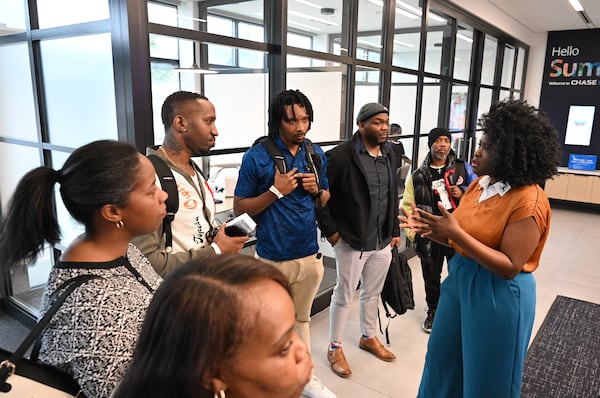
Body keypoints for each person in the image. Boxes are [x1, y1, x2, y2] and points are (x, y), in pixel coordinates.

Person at [400, 99, 560, 398]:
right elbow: (458, 238)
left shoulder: (529, 200)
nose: (476, 151)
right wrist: (429, 229)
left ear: (509, 154)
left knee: (488, 378)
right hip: (460, 281)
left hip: (498, 293)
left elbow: (509, 265)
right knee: (442, 362)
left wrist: (456, 233)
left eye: (486, 147)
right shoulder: (479, 186)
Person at [0, 140, 166, 398]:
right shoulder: (96, 307)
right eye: (151, 189)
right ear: (112, 212)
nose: (163, 195)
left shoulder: (122, 249)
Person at [233, 89, 335, 398]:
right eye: (291, 120)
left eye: (305, 119)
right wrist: (275, 192)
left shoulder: (314, 153)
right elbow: (240, 208)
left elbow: (326, 198)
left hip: (310, 256)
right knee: (272, 329)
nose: (300, 127)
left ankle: (304, 379)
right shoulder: (258, 156)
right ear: (278, 121)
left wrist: (317, 189)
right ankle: (270, 384)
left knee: (301, 321)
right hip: (272, 258)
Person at [317, 102, 401, 378]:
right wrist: (332, 232)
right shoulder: (341, 156)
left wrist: (395, 231)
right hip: (352, 240)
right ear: (361, 125)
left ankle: (368, 336)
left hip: (381, 239)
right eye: (377, 122)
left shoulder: (390, 153)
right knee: (343, 295)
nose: (384, 127)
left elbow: (391, 196)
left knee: (372, 293)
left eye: (386, 122)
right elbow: (320, 197)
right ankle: (335, 347)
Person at [132, 91, 247, 277]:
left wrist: (218, 239)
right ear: (180, 123)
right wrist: (216, 251)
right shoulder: (150, 178)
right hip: (178, 296)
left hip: (205, 285)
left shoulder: (194, 170)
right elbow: (146, 262)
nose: (215, 131)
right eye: (209, 121)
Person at [401, 126, 477, 333]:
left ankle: (457, 310)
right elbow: (408, 205)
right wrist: (414, 233)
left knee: (459, 272)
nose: (443, 144)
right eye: (438, 140)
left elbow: (480, 197)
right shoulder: (418, 175)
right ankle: (433, 310)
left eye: (446, 140)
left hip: (456, 232)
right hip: (430, 235)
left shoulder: (463, 169)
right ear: (431, 144)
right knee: (431, 275)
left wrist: (462, 193)